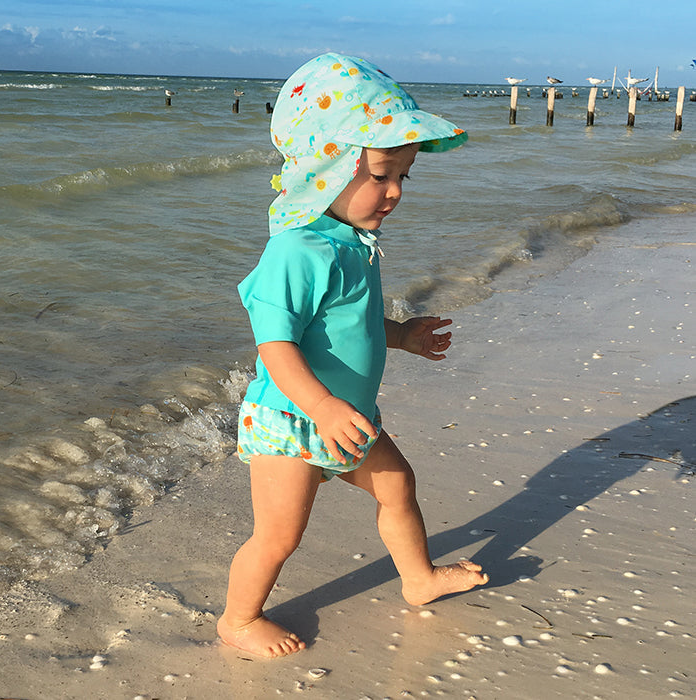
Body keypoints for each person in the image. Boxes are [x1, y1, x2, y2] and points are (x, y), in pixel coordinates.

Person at [217, 53, 488, 658]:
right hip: (293, 418)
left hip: (350, 416)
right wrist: (322, 407)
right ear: (326, 167)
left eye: (404, 178)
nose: (394, 193)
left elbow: (349, 327)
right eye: (381, 175)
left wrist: (402, 337)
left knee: (399, 487)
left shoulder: (353, 243)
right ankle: (237, 620)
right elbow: (277, 345)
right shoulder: (298, 251)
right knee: (280, 535)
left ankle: (417, 579)